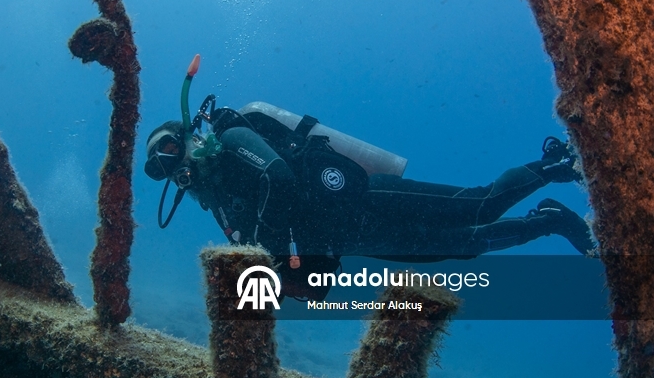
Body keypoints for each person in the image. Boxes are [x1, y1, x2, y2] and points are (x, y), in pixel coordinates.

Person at [144, 99, 595, 298]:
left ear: (188, 136)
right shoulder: (220, 202)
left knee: (478, 205)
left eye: (168, 148)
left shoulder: (232, 138)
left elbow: (278, 179)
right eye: (158, 167)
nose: (169, 163)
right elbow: (280, 256)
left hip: (365, 199)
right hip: (356, 238)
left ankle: (555, 165)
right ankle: (548, 221)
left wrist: (267, 257)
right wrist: (287, 277)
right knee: (466, 244)